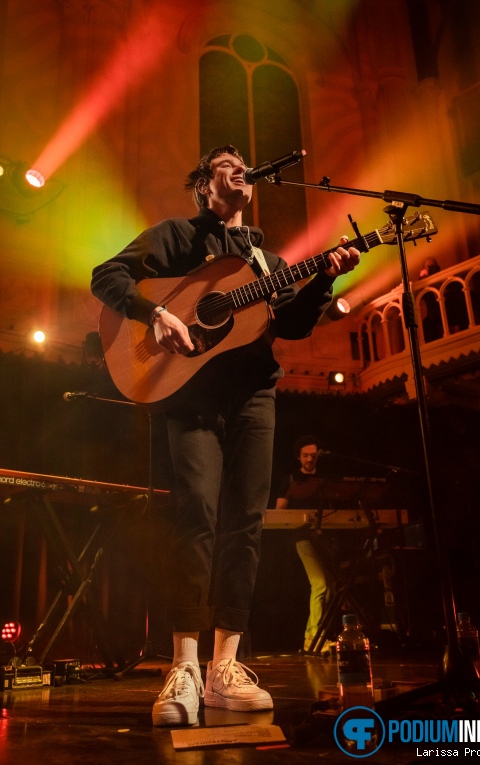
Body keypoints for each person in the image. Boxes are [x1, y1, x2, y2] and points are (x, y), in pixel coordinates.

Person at [90, 144, 360, 727]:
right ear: (204, 186)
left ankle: (224, 668)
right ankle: (182, 667)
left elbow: (287, 323)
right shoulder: (178, 235)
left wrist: (321, 282)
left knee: (245, 524)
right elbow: (105, 274)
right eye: (226, 166)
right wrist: (154, 314)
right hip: (190, 398)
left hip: (254, 397)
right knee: (196, 519)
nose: (242, 171)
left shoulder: (264, 259)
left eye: (245, 166)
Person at [276, 436, 337, 652]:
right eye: (306, 455)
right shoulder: (291, 479)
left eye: (313, 455)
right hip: (301, 536)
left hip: (323, 537)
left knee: (331, 585)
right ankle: (312, 638)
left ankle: (320, 635)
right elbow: (280, 511)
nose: (310, 459)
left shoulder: (325, 479)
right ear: (299, 457)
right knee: (320, 583)